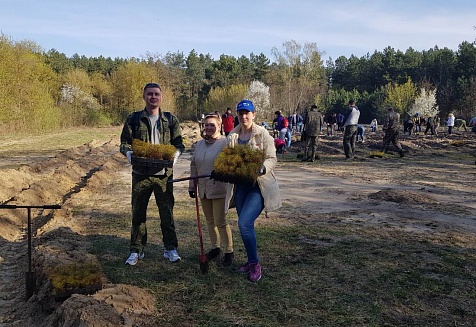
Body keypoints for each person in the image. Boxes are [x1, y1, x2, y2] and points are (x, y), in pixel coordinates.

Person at [120, 82, 185, 265]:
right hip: (140, 173)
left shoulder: (170, 120)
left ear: (161, 97)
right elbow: (124, 143)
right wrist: (129, 154)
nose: (153, 97)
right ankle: (136, 250)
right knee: (138, 213)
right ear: (144, 96)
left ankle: (170, 248)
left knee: (167, 213)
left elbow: (179, 143)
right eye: (150, 94)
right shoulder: (133, 119)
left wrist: (176, 156)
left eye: (156, 94)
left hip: (164, 175)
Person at [225, 99, 281, 282]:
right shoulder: (233, 136)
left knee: (244, 223)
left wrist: (263, 168)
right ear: (237, 116)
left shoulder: (262, 134)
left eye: (247, 113)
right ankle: (250, 261)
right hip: (241, 186)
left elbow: (272, 158)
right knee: (245, 226)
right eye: (240, 113)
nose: (244, 116)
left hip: (259, 186)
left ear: (254, 114)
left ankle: (255, 264)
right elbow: (228, 160)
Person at [189, 113, 234, 266]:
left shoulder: (225, 143)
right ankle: (215, 247)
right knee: (209, 221)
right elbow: (194, 164)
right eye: (206, 125)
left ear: (219, 126)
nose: (209, 127)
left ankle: (229, 251)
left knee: (220, 221)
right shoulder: (200, 144)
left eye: (212, 125)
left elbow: (230, 165)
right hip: (203, 188)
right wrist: (191, 185)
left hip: (218, 188)